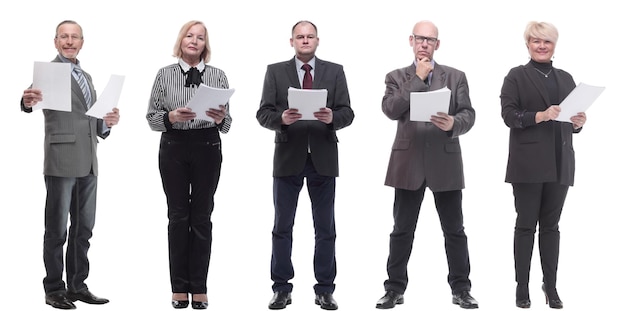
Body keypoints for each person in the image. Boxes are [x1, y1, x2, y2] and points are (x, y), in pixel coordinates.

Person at [375, 20, 478, 309]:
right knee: (401, 230)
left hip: (445, 162)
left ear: (437, 45)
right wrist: (418, 79)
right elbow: (391, 109)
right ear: (411, 41)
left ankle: (461, 289)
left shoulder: (456, 77)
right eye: (420, 38)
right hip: (408, 163)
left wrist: (452, 123)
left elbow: (469, 114)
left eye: (430, 40)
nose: (424, 44)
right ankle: (394, 289)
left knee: (454, 230)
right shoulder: (396, 76)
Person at [21, 20, 119, 310]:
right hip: (61, 159)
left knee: (84, 228)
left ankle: (77, 285)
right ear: (55, 42)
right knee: (56, 229)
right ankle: (54, 289)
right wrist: (26, 101)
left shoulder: (86, 75)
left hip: (89, 160)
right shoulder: (48, 72)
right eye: (64, 36)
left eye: (74, 37)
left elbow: (93, 119)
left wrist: (107, 123)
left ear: (81, 42)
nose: (69, 41)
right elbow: (30, 99)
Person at [256, 20, 354, 311]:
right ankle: (281, 288)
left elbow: (348, 112)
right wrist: (281, 119)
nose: (305, 40)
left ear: (318, 40)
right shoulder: (275, 71)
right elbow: (263, 113)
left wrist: (332, 118)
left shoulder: (335, 71)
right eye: (300, 37)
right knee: (282, 227)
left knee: (325, 228)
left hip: (323, 158)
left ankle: (325, 289)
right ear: (292, 42)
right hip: (288, 157)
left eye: (310, 36)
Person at [146, 20, 231, 310]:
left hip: (208, 145)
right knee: (178, 216)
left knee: (202, 216)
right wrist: (170, 118)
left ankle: (200, 286)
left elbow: (228, 123)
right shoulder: (164, 74)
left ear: (206, 45)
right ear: (181, 41)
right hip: (174, 147)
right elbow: (151, 117)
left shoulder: (218, 75)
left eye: (200, 38)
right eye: (189, 36)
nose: (194, 41)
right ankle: (179, 288)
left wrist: (220, 119)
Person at [500, 21, 586, 310]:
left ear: (554, 45)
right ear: (527, 44)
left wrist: (578, 123)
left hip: (560, 162)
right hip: (528, 164)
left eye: (546, 41)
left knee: (551, 227)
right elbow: (509, 115)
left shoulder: (566, 78)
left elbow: (570, 122)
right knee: (525, 226)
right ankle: (521, 288)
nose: (541, 46)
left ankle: (550, 286)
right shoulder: (516, 76)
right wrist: (540, 115)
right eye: (536, 41)